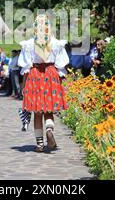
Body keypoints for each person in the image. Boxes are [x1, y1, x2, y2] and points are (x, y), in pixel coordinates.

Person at [18, 14, 69, 152]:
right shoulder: (56, 43)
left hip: (35, 75)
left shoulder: (28, 45)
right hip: (51, 74)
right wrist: (61, 82)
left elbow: (26, 68)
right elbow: (60, 65)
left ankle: (40, 144)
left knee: (37, 112)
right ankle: (49, 129)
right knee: (48, 110)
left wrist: (23, 86)